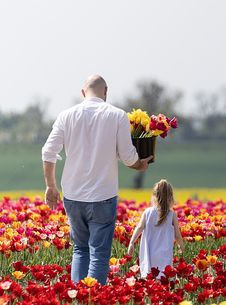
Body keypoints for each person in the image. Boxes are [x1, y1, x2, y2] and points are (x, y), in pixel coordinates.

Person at [42, 75, 152, 284]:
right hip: (103, 195)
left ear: (83, 93)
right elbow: (129, 158)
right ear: (106, 91)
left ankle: (78, 301)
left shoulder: (66, 116)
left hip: (73, 195)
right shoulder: (118, 116)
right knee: (99, 254)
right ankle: (94, 304)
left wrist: (51, 186)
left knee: (80, 249)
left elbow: (48, 152)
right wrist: (141, 164)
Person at [127, 179, 185, 278]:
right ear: (171, 198)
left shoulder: (148, 212)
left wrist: (131, 242)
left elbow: (139, 227)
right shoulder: (171, 214)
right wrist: (181, 245)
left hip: (149, 253)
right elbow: (177, 235)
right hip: (164, 254)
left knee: (151, 278)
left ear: (154, 197)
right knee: (164, 277)